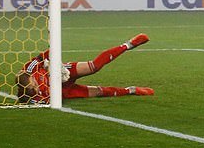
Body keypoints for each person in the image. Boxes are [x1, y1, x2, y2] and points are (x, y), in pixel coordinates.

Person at [15, 34, 153, 104]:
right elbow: (51, 101)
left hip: (61, 72)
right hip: (63, 91)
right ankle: (132, 90)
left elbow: (49, 52)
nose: (36, 87)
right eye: (33, 88)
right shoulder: (34, 98)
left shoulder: (30, 68)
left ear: (31, 77)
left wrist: (53, 65)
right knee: (99, 92)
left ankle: (128, 45)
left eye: (34, 83)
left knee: (94, 66)